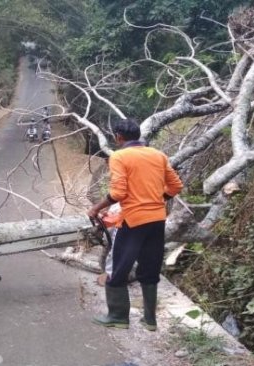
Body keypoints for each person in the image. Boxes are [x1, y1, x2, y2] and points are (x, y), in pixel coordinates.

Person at [86, 118, 183, 331]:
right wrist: (156, 199)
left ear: (118, 137)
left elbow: (119, 193)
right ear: (137, 135)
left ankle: (118, 316)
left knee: (119, 267)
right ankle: (150, 319)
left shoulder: (119, 156)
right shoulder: (158, 155)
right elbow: (176, 186)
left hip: (133, 220)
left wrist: (96, 208)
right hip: (157, 219)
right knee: (150, 269)